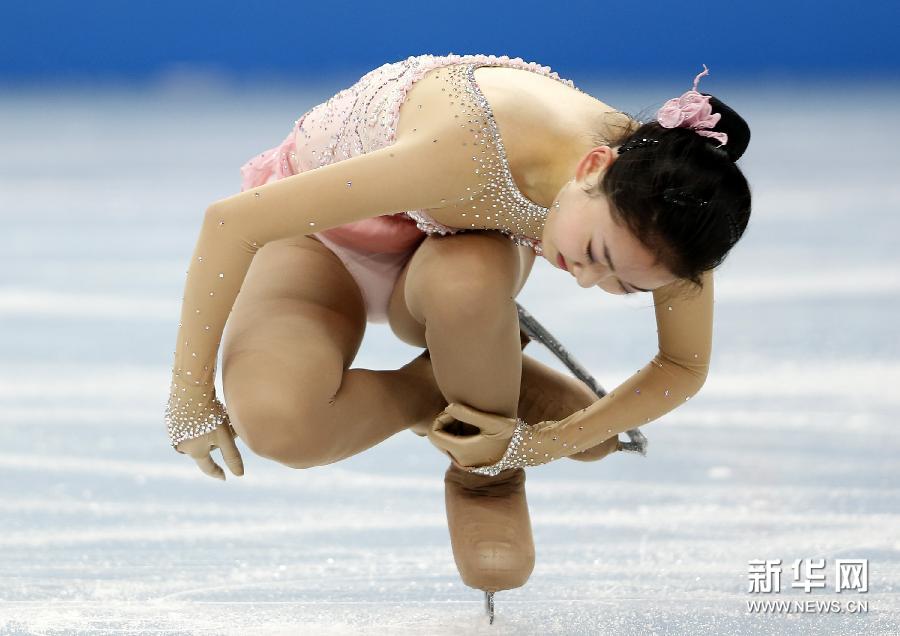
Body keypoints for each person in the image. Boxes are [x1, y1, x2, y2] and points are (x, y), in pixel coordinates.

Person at [164, 52, 752, 612]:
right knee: (281, 425)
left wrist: (547, 442)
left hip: (451, 257)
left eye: (623, 285)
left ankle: (483, 473)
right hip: (324, 238)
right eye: (595, 253)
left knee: (467, 286)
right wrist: (190, 395)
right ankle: (455, 384)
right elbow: (229, 223)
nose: (588, 280)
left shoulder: (670, 213)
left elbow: (682, 365)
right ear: (592, 167)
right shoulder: (468, 148)